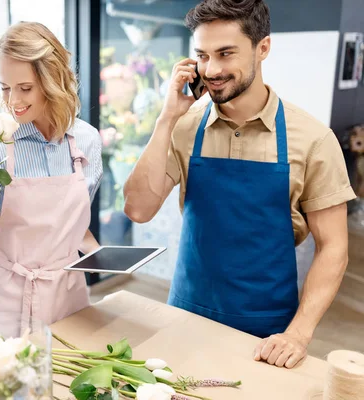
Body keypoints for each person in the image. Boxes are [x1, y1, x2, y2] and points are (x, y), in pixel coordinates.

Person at [123, 0, 356, 369]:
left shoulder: (312, 139)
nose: (211, 69)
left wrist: (298, 334)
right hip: (185, 312)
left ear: (263, 47)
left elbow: (334, 249)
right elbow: (138, 209)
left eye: (226, 53)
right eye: (202, 55)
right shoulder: (184, 125)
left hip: (266, 330)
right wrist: (167, 117)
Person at [0, 21, 103, 338]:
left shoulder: (87, 141)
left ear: (54, 82)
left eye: (25, 88)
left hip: (68, 295)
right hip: (7, 303)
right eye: (5, 87)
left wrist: (101, 254)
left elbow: (73, 227)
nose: (13, 101)